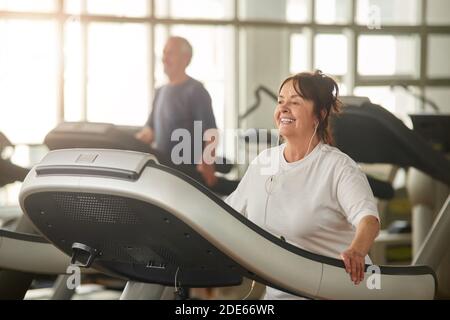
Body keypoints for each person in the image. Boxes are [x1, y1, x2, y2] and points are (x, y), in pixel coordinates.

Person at [225, 70, 380, 300]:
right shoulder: (263, 164)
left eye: (295, 102)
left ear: (319, 114)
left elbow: (369, 220)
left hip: (337, 293)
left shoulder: (337, 167)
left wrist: (356, 251)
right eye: (280, 101)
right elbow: (227, 215)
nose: (284, 108)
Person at [135, 36, 218, 187]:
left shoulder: (196, 91)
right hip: (162, 172)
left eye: (170, 53)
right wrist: (128, 145)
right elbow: (150, 132)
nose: (164, 58)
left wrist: (207, 162)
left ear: (186, 58)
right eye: (164, 53)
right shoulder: (160, 92)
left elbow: (211, 133)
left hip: (187, 175)